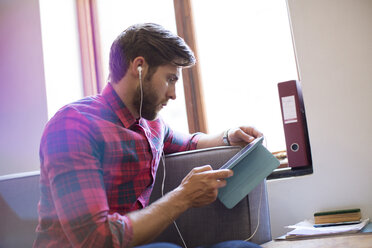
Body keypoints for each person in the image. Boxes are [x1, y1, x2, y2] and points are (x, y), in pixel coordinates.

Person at [34, 23, 263, 248]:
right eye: (170, 79)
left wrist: (228, 136)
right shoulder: (72, 127)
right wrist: (183, 196)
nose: (173, 94)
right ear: (139, 66)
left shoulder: (152, 124)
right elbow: (97, 239)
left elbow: (190, 142)